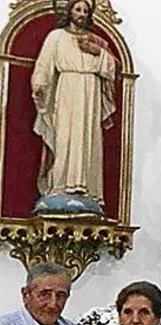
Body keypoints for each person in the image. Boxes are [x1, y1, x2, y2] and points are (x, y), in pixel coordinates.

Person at [31, 0, 116, 211]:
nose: (82, 14)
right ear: (69, 12)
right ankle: (60, 186)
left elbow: (112, 67)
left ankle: (87, 188)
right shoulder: (57, 37)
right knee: (66, 137)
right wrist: (39, 84)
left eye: (86, 11)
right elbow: (44, 64)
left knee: (88, 138)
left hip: (91, 93)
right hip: (67, 91)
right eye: (78, 9)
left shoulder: (95, 41)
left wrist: (98, 52)